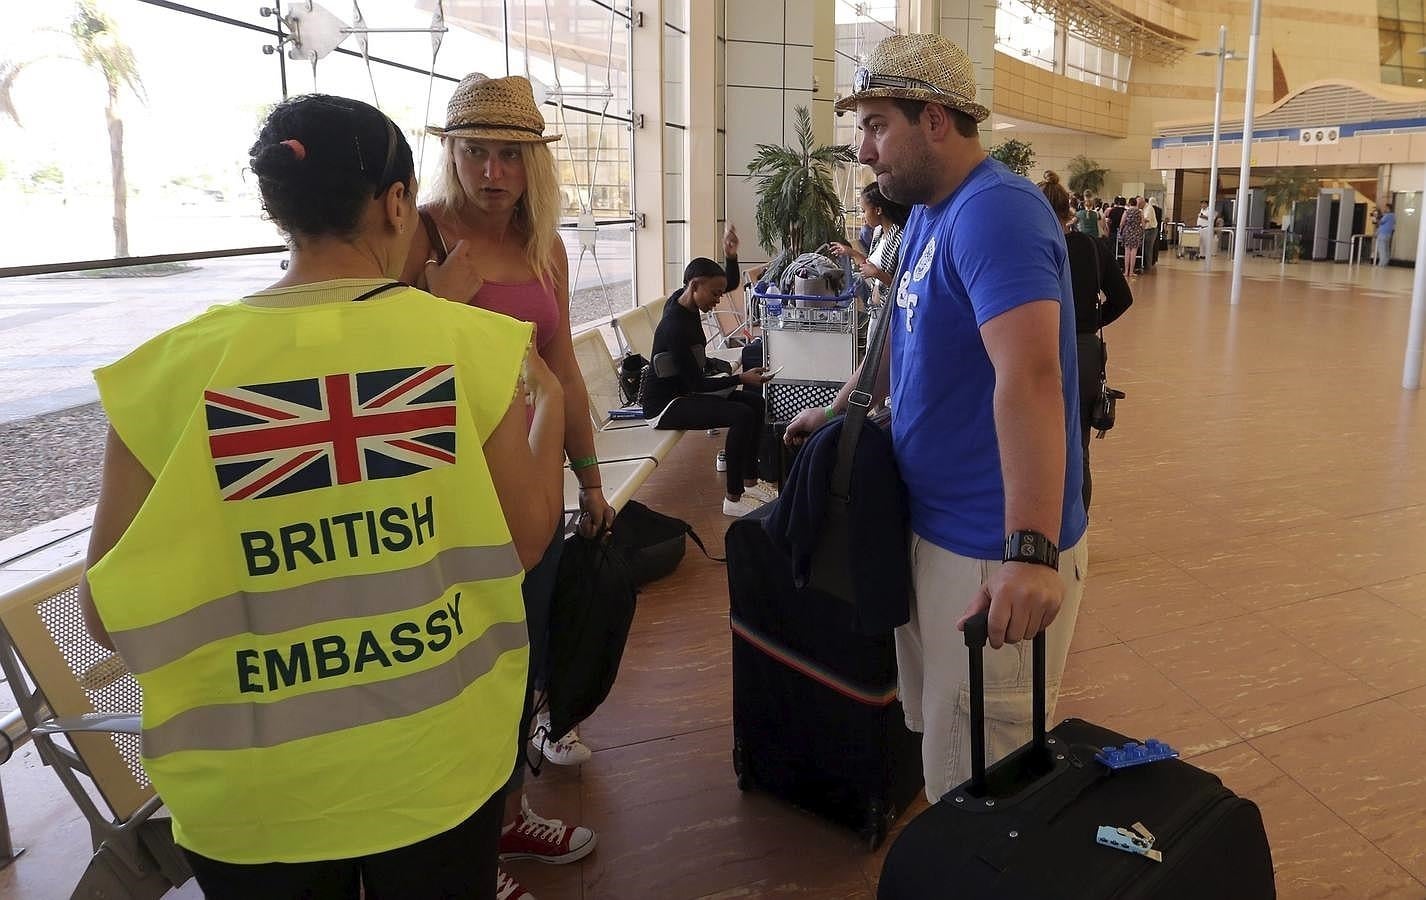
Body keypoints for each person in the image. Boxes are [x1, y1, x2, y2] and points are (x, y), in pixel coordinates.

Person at [77, 94, 565, 900]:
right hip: (437, 764)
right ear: (399, 202)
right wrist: (546, 408)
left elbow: (103, 615)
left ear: (278, 208)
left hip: (249, 794)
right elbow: (528, 538)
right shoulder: (467, 348)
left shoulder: (162, 375)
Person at [787, 33, 1088, 803]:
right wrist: (843, 407)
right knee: (943, 740)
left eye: (876, 124)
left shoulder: (997, 213)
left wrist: (1029, 552)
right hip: (932, 531)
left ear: (936, 122)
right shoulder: (929, 211)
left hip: (992, 551)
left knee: (988, 774)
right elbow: (898, 325)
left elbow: (1031, 379)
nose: (863, 149)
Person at [401, 72, 602, 900]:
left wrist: (590, 478)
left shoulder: (542, 246)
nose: (492, 171)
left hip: (533, 489)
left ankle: (512, 811)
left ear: (533, 166)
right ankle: (463, 859)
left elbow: (564, 371)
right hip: (451, 496)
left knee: (524, 658)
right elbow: (388, 369)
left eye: (510, 156)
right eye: (476, 152)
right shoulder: (419, 238)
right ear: (449, 154)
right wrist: (432, 304)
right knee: (460, 674)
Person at [642, 244, 776, 518]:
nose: (718, 300)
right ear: (694, 286)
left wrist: (731, 256)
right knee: (740, 415)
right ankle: (733, 497)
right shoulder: (676, 327)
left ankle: (750, 482)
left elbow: (724, 281)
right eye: (715, 294)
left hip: (684, 391)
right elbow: (696, 386)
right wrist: (740, 377)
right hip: (667, 405)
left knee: (754, 403)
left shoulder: (683, 299)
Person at [1040, 172, 1132, 513]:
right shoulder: (1092, 248)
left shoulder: (1031, 247)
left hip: (1037, 350)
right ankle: (1077, 523)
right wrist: (1090, 322)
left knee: (1031, 436)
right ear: (1069, 213)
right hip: (1084, 351)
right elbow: (1122, 298)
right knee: (1077, 444)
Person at [831, 181, 913, 294]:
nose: (863, 216)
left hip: (887, 308)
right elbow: (870, 268)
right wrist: (850, 252)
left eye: (864, 211)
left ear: (878, 210)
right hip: (875, 308)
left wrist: (877, 274)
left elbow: (903, 284)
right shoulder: (878, 235)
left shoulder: (900, 239)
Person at [1119, 198, 1145, 278]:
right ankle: (1131, 272)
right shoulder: (1140, 212)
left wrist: (1121, 231)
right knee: (1134, 252)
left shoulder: (1126, 212)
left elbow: (1122, 223)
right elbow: (1143, 224)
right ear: (1136, 203)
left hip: (1127, 232)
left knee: (1127, 252)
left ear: (1130, 203)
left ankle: (1126, 271)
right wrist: (1142, 230)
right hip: (1136, 232)